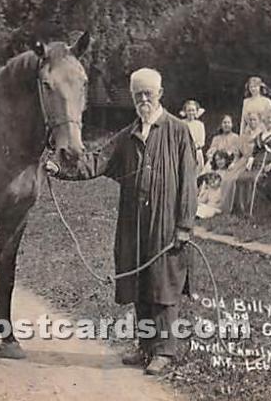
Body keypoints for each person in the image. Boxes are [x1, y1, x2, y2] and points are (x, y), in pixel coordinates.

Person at [45, 67, 198, 376]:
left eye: (149, 94)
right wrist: (58, 168)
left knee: (163, 284)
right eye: (138, 95)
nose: (144, 99)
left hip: (166, 223)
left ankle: (165, 352)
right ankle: (145, 347)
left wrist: (184, 225)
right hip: (133, 222)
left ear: (160, 95)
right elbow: (94, 161)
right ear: (132, 97)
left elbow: (190, 183)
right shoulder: (128, 136)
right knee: (140, 283)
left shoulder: (179, 131)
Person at [232, 106, 271, 215]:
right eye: (268, 118)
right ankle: (240, 211)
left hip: (269, 165)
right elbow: (254, 152)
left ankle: (252, 212)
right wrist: (250, 162)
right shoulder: (260, 135)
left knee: (255, 180)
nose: (270, 121)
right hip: (256, 164)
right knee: (241, 178)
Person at [180, 100, 206, 173]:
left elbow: (201, 142)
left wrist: (193, 147)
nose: (191, 113)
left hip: (196, 153)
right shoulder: (181, 124)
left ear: (196, 111)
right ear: (185, 112)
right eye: (189, 110)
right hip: (184, 152)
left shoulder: (200, 125)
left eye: (193, 110)